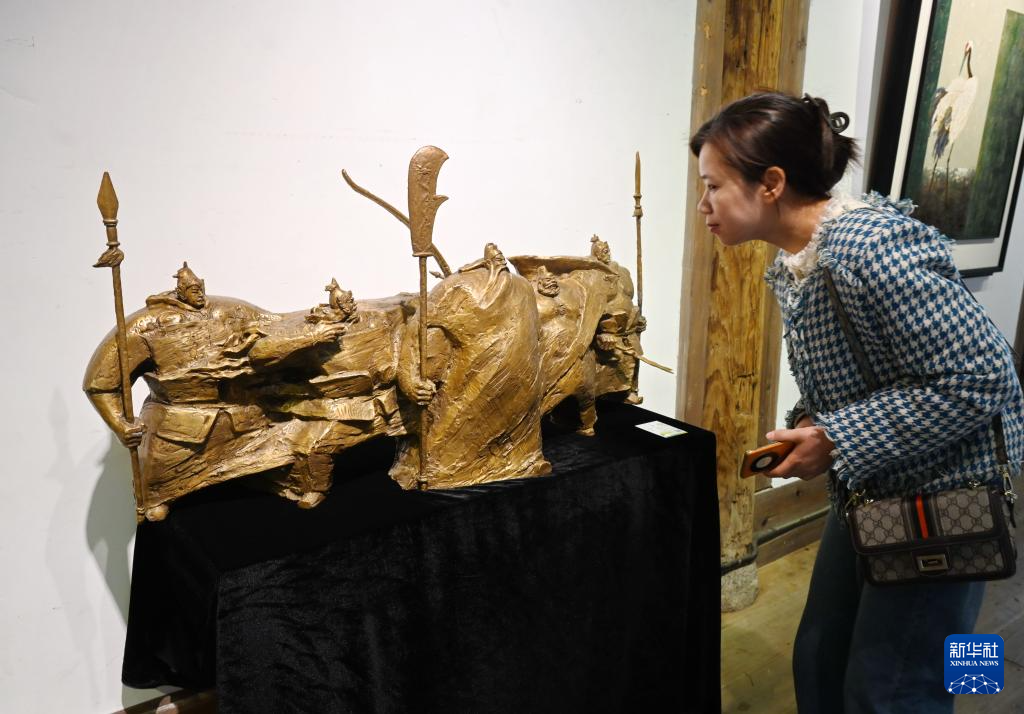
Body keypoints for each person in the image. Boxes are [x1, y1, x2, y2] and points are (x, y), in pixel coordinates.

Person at [690, 92, 1024, 713]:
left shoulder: (869, 247)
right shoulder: (798, 259)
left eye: (713, 186)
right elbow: (863, 368)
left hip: (948, 497)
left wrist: (836, 437)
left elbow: (983, 376)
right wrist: (810, 422)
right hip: (875, 487)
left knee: (897, 687)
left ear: (771, 183)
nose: (703, 205)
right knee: (820, 655)